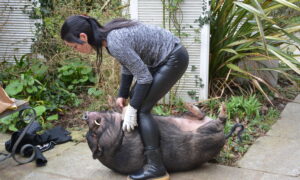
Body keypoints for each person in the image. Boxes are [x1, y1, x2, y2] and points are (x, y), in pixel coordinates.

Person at [61, 15, 189, 180]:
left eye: (73, 47)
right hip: (164, 59)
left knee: (142, 110)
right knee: (135, 97)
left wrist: (133, 109)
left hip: (173, 58)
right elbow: (128, 66)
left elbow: (144, 77)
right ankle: (146, 150)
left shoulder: (114, 41)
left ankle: (156, 167)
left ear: (83, 37)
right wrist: (122, 94)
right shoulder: (108, 38)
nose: (75, 50)